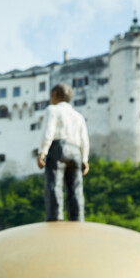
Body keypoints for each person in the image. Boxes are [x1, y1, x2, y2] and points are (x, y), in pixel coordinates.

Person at [37, 83, 90, 222]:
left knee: (54, 184)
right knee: (76, 189)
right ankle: (77, 218)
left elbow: (48, 131)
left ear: (55, 95)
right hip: (76, 151)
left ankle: (55, 219)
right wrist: (85, 159)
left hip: (58, 147)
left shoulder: (53, 110)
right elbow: (84, 140)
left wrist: (43, 151)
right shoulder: (78, 116)